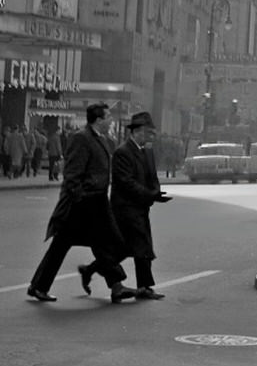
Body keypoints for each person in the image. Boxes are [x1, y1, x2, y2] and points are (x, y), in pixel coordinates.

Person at [27, 104, 136, 303]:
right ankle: (115, 285)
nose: (111, 120)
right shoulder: (82, 138)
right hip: (84, 203)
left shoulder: (100, 139)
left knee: (103, 243)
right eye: (108, 116)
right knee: (94, 243)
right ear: (98, 119)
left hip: (98, 200)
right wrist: (79, 196)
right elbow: (72, 174)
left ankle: (40, 286)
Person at [95, 110, 172, 300]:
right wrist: (149, 194)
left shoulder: (146, 151)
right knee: (142, 246)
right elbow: (126, 182)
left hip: (140, 206)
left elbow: (151, 177)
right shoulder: (123, 152)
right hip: (125, 209)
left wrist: (156, 193)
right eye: (148, 133)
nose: (150, 137)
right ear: (137, 132)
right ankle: (143, 286)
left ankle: (92, 270)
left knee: (126, 248)